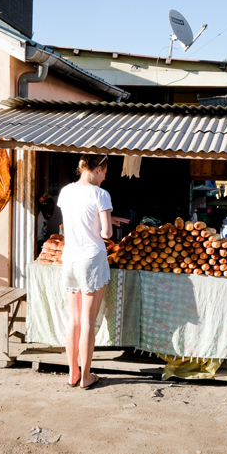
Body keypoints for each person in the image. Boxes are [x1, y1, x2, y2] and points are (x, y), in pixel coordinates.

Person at [56, 155, 128, 390]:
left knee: (73, 319)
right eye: (105, 172)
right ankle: (86, 377)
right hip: (91, 259)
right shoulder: (101, 194)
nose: (105, 177)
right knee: (87, 321)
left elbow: (76, 220)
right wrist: (106, 221)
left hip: (70, 258)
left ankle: (72, 374)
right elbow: (106, 233)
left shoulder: (66, 191)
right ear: (98, 169)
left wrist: (102, 219)